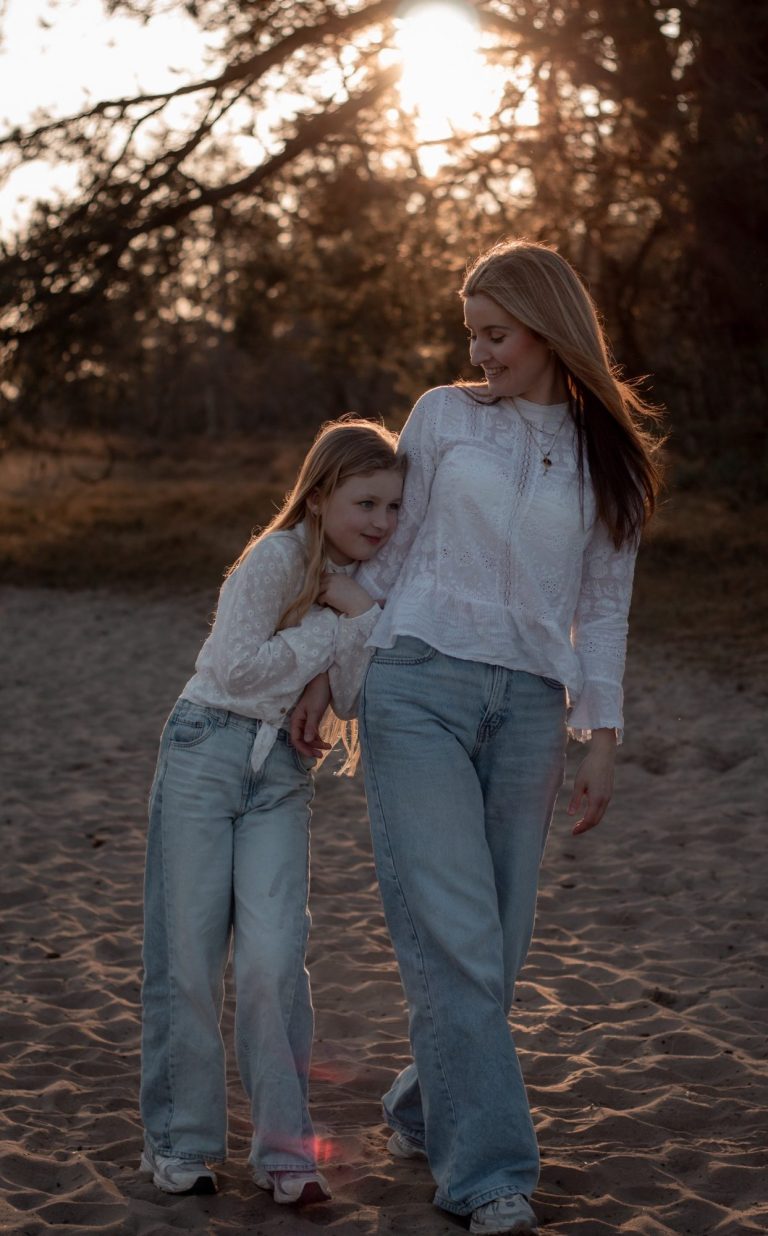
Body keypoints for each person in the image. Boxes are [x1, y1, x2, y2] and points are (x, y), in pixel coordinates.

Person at [292, 240, 662, 1235]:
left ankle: (423, 1103)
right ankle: (488, 1174)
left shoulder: (604, 455)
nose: (481, 352)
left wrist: (604, 734)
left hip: (535, 706)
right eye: (472, 335)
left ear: (547, 330)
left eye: (496, 334)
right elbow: (390, 549)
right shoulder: (445, 417)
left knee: (497, 945)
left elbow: (605, 606)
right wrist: (328, 668)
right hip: (417, 682)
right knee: (454, 936)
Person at [139, 418, 405, 1204]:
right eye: (365, 503)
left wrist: (346, 624)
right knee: (187, 959)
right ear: (320, 497)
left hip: (285, 774)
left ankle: (286, 1154)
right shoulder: (276, 556)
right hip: (204, 751)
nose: (381, 524)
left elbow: (353, 694)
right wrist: (332, 624)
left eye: (392, 507)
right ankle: (179, 1143)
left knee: (273, 964)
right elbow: (233, 666)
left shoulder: (363, 584)